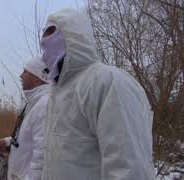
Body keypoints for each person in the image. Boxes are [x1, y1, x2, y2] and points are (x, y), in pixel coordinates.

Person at [40, 8, 155, 180]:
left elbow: (129, 168)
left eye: (51, 33)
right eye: (43, 43)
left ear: (74, 36)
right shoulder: (58, 94)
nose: (45, 48)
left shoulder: (107, 82)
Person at [0, 57, 51, 180]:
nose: (21, 75)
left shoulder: (45, 105)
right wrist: (6, 144)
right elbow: (25, 138)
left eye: (25, 71)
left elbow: (42, 158)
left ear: (36, 78)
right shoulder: (32, 103)